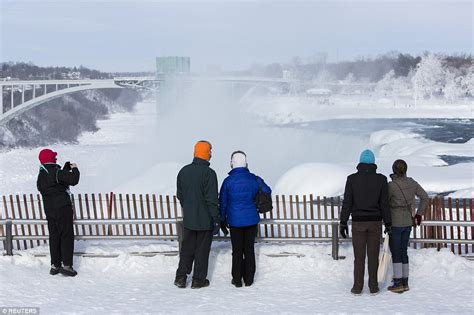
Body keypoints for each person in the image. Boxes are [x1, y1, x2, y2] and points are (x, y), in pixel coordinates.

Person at [339, 149, 392, 295]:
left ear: (360, 162)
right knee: (373, 256)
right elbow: (384, 204)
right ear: (374, 163)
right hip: (375, 223)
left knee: (359, 257)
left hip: (358, 223)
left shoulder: (352, 179)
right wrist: (388, 223)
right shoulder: (381, 180)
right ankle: (373, 287)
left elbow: (347, 203)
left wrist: (343, 222)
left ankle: (357, 287)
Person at [219, 151, 271, 287]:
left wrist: (222, 219)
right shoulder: (254, 178)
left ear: (232, 163)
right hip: (251, 220)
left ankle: (237, 279)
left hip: (234, 221)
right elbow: (267, 190)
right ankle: (249, 279)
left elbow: (223, 202)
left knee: (237, 250)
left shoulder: (228, 181)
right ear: (246, 163)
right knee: (249, 249)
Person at [174, 140, 220, 289]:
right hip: (205, 220)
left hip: (189, 219)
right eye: (210, 152)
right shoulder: (209, 174)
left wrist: (188, 207)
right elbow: (212, 200)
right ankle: (198, 280)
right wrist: (216, 219)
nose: (211, 155)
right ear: (207, 153)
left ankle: (181, 277)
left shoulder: (183, 171)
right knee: (202, 250)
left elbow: (180, 194)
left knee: (187, 248)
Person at [36, 148, 80, 277]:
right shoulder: (56, 172)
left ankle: (55, 265)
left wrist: (64, 170)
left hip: (49, 210)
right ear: (51, 159)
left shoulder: (41, 175)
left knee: (54, 236)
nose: (56, 159)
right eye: (54, 157)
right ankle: (67, 266)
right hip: (63, 208)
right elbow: (73, 180)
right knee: (66, 235)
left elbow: (57, 182)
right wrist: (75, 168)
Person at [387, 159, 428, 293]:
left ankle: (398, 282)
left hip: (396, 222)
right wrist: (419, 214)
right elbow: (425, 197)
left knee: (396, 251)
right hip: (408, 222)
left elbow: (384, 202)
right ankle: (405, 281)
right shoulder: (412, 183)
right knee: (404, 251)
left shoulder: (391, 186)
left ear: (394, 170)